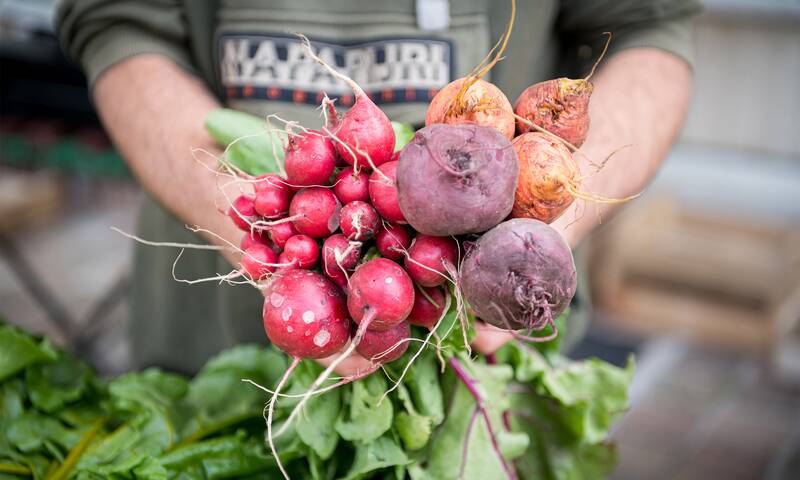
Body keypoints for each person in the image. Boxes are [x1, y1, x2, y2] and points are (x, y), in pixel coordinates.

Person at [56, 0, 700, 375]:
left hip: (493, 363)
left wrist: (538, 242)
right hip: (213, 354)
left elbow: (653, 29)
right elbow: (118, 21)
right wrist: (247, 222)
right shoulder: (287, 231)